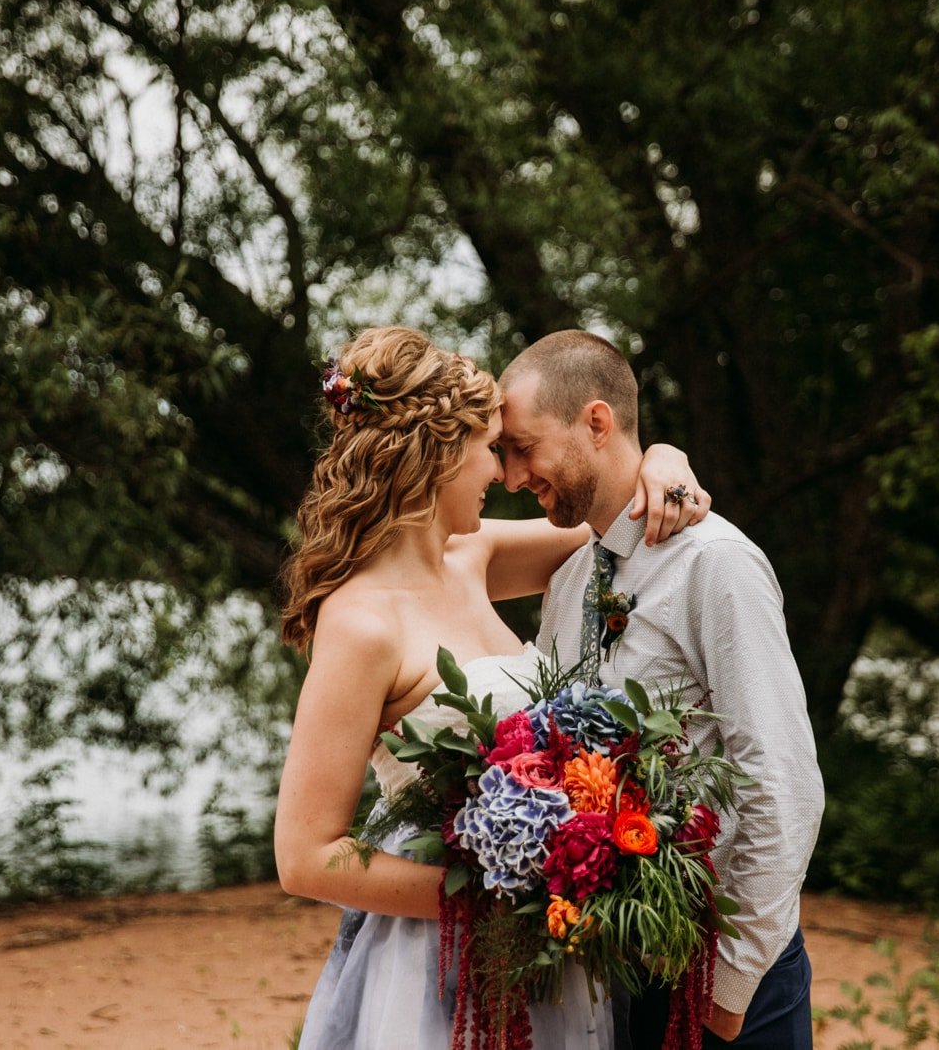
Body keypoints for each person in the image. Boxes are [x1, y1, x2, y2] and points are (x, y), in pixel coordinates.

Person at [274, 326, 711, 1049]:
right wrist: (500, 896)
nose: (503, 472)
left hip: (545, 953)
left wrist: (664, 457)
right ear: (440, 454)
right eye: (490, 447)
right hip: (438, 958)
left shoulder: (472, 556)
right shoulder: (359, 621)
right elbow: (305, 854)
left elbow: (610, 512)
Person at [497, 330, 825, 1049]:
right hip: (614, 966)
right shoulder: (575, 578)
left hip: (722, 968)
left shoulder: (717, 564)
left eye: (524, 447)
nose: (514, 476)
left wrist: (731, 985)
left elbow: (782, 779)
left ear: (596, 421)